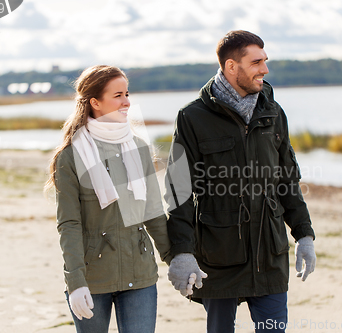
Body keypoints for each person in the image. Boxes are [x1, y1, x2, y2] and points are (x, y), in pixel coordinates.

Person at [164, 30, 316, 333]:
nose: (265, 69)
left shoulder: (273, 113)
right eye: (256, 62)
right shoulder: (193, 117)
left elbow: (287, 179)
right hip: (219, 255)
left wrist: (304, 234)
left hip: (269, 254)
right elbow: (178, 189)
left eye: (265, 60)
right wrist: (181, 253)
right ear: (232, 67)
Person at [45, 65, 171, 333]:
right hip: (93, 278)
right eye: (118, 95)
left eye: (127, 93)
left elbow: (154, 214)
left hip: (140, 275)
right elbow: (69, 225)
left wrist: (177, 259)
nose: (127, 102)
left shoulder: (138, 147)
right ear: (95, 102)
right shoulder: (70, 157)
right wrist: (75, 281)